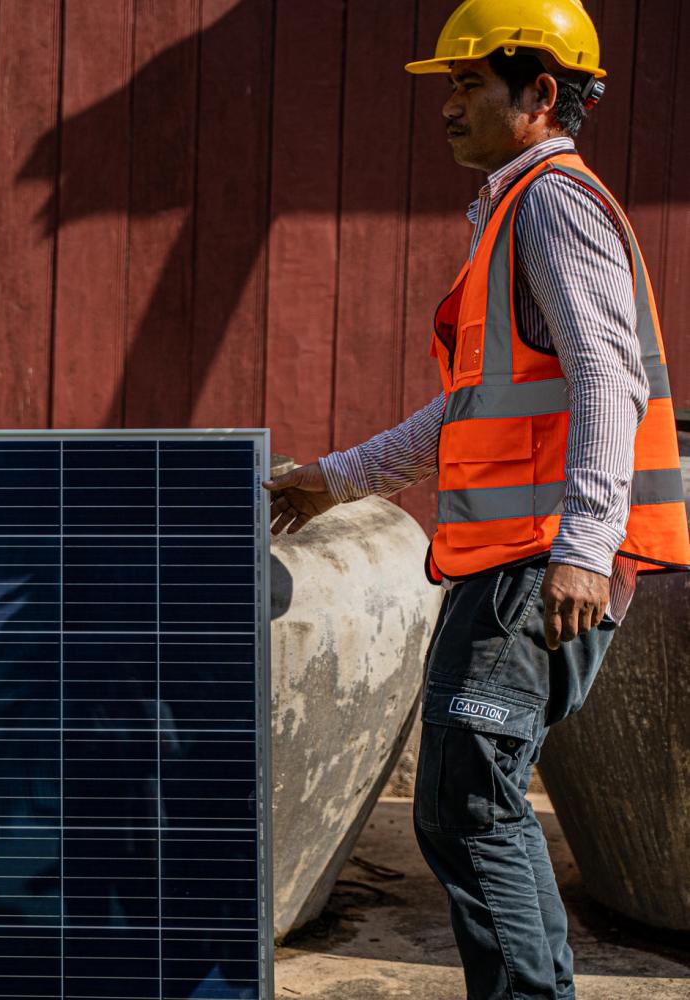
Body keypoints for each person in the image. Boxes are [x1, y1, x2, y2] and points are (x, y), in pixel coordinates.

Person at [260, 1, 690, 997]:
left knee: (466, 802)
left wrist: (586, 545)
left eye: (465, 83)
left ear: (540, 94)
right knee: (474, 800)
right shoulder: (515, 213)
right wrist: (338, 477)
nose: (447, 105)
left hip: (537, 568)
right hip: (516, 567)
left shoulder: (552, 203)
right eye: (447, 85)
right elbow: (470, 412)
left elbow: (606, 374)